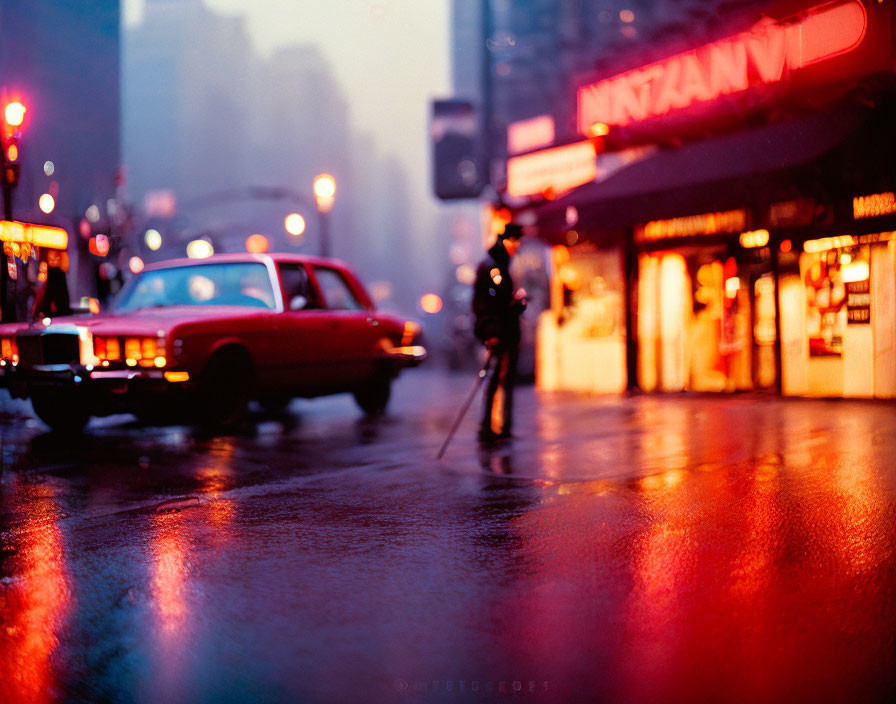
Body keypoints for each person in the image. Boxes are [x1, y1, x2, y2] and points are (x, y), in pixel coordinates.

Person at [472, 222, 526, 441]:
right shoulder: (493, 267)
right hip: (500, 330)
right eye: (514, 241)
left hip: (506, 330)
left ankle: (501, 426)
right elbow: (488, 303)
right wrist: (492, 329)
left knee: (504, 378)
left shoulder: (498, 265)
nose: (516, 246)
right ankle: (488, 426)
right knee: (495, 377)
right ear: (506, 241)